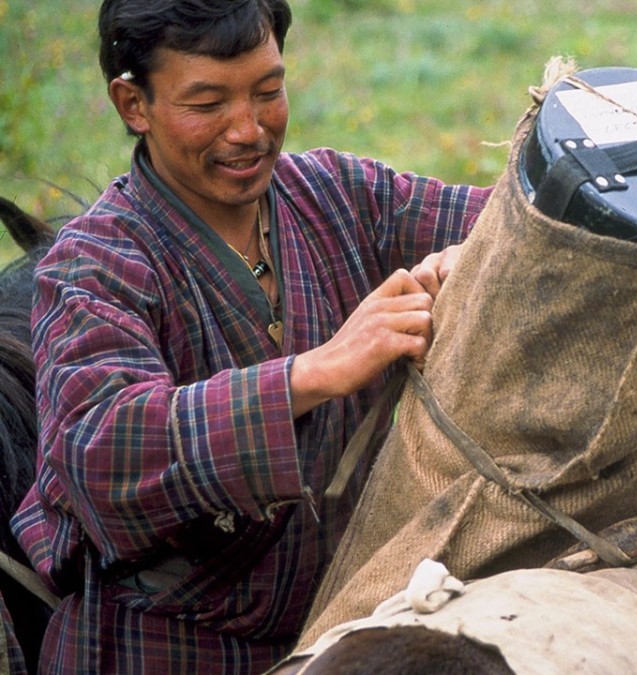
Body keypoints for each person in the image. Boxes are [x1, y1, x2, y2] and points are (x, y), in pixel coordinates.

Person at [11, 0, 492, 671]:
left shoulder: (336, 195)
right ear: (133, 104)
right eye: (207, 103)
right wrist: (314, 372)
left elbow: (506, 222)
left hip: (336, 632)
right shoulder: (93, 263)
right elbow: (102, 448)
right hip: (156, 650)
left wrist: (473, 257)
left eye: (268, 92)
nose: (249, 130)